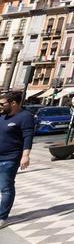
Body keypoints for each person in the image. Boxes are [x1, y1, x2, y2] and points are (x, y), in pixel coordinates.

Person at [0, 91, 34, 228]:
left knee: (6, 188)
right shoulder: (2, 115)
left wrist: (25, 156)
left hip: (9, 158)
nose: (0, 106)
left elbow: (28, 137)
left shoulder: (25, 116)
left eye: (2, 103)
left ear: (13, 103)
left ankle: (2, 217)